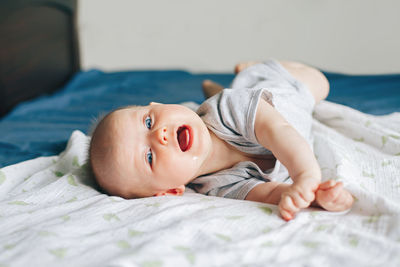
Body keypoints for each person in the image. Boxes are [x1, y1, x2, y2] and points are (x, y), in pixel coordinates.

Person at [89, 59, 354, 221]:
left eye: (148, 121)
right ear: (170, 191)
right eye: (148, 156)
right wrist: (313, 197)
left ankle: (252, 70)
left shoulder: (227, 109)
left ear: (157, 104)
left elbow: (280, 131)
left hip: (284, 88)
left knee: (320, 83)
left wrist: (306, 176)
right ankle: (221, 83)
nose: (159, 134)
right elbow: (272, 192)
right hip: (249, 100)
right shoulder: (218, 188)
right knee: (234, 89)